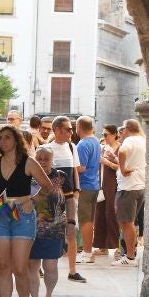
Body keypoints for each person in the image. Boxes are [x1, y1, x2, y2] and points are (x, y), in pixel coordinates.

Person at [0, 125, 56, 297]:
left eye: (7, 137)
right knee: (3, 266)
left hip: (23, 216)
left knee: (20, 267)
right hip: (0, 213)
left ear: (16, 140)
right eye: (0, 138)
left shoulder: (28, 162)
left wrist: (31, 200)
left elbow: (48, 187)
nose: (3, 142)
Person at [27, 146, 67, 297]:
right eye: (39, 158)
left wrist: (72, 222)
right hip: (30, 228)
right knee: (32, 266)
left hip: (55, 229)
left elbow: (70, 200)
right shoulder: (27, 176)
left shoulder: (61, 177)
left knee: (51, 266)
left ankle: (49, 296)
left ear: (52, 160)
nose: (42, 162)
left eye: (46, 158)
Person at [46, 116, 84, 283]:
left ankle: (73, 270)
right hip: (51, 199)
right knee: (47, 232)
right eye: (68, 129)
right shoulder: (46, 149)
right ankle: (42, 266)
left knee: (71, 232)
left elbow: (75, 170)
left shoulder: (71, 147)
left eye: (71, 129)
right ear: (57, 130)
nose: (71, 132)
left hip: (69, 197)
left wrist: (77, 190)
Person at [115, 118, 147, 266]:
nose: (121, 133)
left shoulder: (130, 140)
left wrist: (122, 169)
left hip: (128, 187)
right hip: (139, 186)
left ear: (127, 129)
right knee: (130, 222)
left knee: (127, 223)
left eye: (123, 130)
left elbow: (122, 151)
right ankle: (130, 254)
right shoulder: (143, 140)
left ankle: (130, 256)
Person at [74, 116, 101, 264]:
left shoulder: (83, 144)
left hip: (85, 186)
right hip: (94, 185)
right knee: (90, 220)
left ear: (79, 127)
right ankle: (88, 251)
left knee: (85, 221)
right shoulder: (96, 141)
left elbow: (81, 168)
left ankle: (86, 252)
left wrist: (71, 166)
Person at [94, 124, 122, 258]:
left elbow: (122, 167)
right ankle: (102, 246)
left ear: (114, 134)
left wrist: (107, 162)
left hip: (114, 184)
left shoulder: (120, 148)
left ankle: (118, 246)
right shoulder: (102, 147)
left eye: (106, 135)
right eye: (103, 135)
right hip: (102, 184)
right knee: (100, 213)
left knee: (112, 214)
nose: (104, 137)